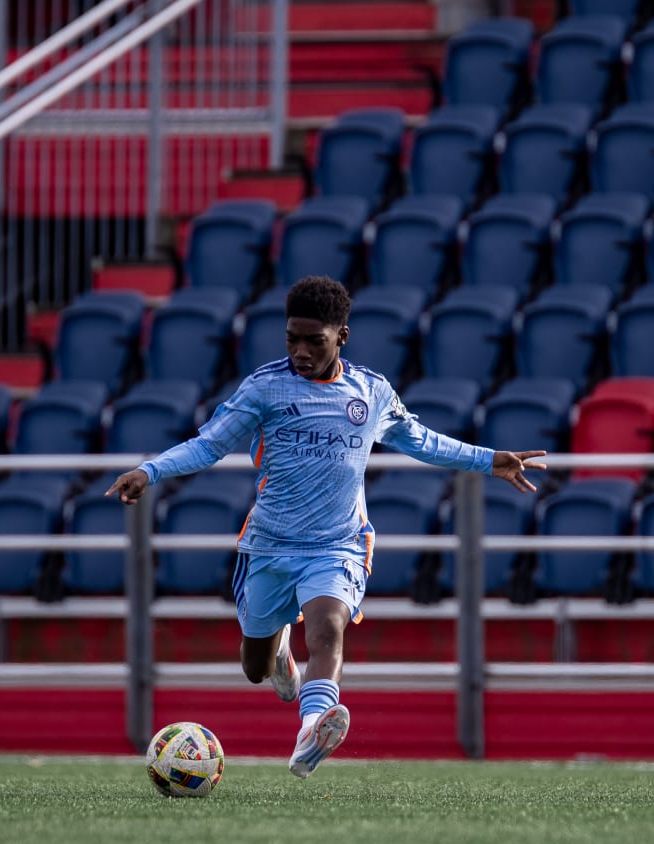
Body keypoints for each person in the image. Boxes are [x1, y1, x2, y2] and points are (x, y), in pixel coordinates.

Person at [106, 276, 546, 778]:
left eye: (314, 340)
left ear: (342, 336)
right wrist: (150, 470)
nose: (300, 351)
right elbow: (208, 444)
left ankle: (311, 728)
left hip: (337, 545)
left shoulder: (371, 392)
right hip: (269, 545)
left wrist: (490, 461)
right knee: (255, 666)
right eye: (292, 338)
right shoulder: (265, 388)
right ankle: (279, 657)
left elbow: (421, 440)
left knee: (328, 628)